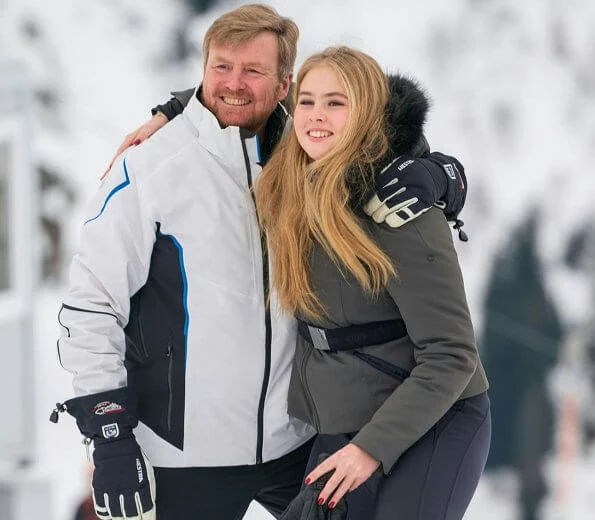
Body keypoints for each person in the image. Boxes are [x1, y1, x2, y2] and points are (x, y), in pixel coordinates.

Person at [50, 4, 469, 520]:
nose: (233, 83)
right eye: (220, 66)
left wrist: (441, 174)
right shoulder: (153, 167)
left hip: (294, 443)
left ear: (283, 84)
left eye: (254, 71)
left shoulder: (308, 150)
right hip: (183, 455)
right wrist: (108, 433)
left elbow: (379, 136)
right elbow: (91, 306)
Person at [253, 46, 491, 520]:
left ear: (364, 112)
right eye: (307, 101)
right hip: (345, 421)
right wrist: (169, 113)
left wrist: (370, 450)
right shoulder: (292, 183)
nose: (316, 116)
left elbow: (452, 354)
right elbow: (233, 96)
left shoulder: (399, 205)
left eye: (336, 103)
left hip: (435, 422)